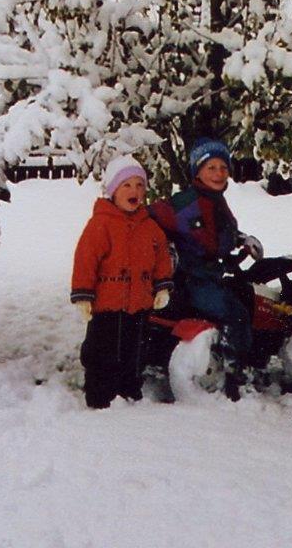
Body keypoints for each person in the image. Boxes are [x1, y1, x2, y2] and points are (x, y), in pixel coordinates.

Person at [70, 156, 175, 409]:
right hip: (107, 306)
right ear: (113, 190)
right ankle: (99, 395)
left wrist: (162, 286)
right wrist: (83, 295)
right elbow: (85, 260)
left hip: (139, 305)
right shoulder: (101, 224)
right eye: (126, 185)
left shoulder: (150, 227)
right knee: (102, 352)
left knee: (134, 353)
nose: (134, 191)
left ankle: (129, 392)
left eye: (139, 185)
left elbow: (162, 258)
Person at [150, 137, 263, 362]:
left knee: (247, 297)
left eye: (223, 167)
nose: (219, 173)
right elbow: (149, 216)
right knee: (236, 314)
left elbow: (217, 234)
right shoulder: (186, 203)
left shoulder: (215, 200)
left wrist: (241, 240)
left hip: (211, 275)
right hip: (191, 281)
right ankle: (232, 364)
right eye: (211, 167)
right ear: (197, 172)